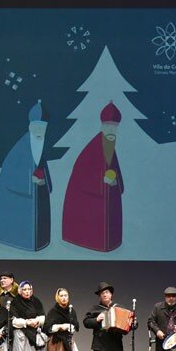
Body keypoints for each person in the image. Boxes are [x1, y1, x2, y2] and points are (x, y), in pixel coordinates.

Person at [0, 99, 52, 251]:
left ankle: (39, 242)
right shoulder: (19, 149)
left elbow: (43, 169)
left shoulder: (40, 147)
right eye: (36, 127)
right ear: (30, 127)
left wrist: (43, 182)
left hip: (38, 197)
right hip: (20, 201)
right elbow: (9, 174)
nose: (39, 131)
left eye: (42, 128)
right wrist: (30, 181)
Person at [63, 101, 124, 252]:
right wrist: (102, 181)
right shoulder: (91, 149)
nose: (112, 130)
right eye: (108, 126)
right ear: (102, 126)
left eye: (115, 127)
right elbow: (81, 175)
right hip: (91, 203)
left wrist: (115, 182)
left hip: (108, 201)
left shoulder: (110, 147)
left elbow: (116, 173)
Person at [9, 280, 51, 351]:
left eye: (29, 289)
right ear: (20, 291)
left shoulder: (36, 301)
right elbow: (13, 320)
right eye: (24, 289)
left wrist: (36, 321)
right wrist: (26, 322)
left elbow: (43, 316)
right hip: (21, 337)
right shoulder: (15, 303)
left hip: (35, 334)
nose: (27, 292)